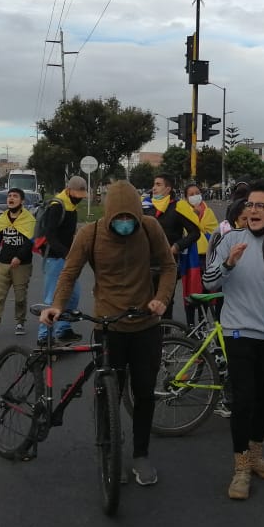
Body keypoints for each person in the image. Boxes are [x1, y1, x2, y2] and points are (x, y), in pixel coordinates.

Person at [40, 181, 176, 486]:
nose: (126, 224)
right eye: (119, 219)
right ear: (109, 215)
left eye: (131, 219)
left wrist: (162, 299)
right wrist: (57, 306)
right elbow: (69, 272)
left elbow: (168, 266)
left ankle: (141, 455)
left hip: (145, 326)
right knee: (107, 394)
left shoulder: (150, 228)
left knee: (144, 394)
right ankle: (109, 448)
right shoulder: (90, 234)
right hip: (108, 326)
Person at [203, 179, 264, 500]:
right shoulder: (229, 238)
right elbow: (209, 283)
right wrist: (228, 263)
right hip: (238, 332)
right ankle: (241, 469)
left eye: (262, 205)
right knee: (244, 400)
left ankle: (255, 455)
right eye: (250, 205)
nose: (254, 210)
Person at [33, 176, 87, 346]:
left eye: (81, 195)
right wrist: (66, 253)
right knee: (52, 298)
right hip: (55, 259)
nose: (79, 198)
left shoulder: (72, 207)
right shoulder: (57, 206)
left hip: (67, 258)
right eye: (77, 194)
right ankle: (44, 336)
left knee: (73, 295)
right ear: (69, 190)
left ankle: (63, 330)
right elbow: (50, 235)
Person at [0, 188, 36, 337]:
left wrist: (19, 257)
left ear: (22, 201)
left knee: (20, 296)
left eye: (15, 196)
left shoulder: (29, 220)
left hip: (22, 265)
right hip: (3, 263)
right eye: (9, 196)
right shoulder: (2, 219)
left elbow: (30, 243)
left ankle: (20, 322)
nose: (11, 198)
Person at [145, 173, 200, 319]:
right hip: (145, 265)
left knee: (165, 305)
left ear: (168, 188)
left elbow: (195, 233)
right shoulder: (145, 206)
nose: (154, 188)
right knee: (145, 304)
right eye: (154, 184)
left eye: (158, 185)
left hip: (168, 265)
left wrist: (177, 246)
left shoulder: (178, 206)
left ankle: (166, 338)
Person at [181, 182, 219, 324]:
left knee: (205, 292)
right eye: (191, 194)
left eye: (197, 193)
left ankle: (203, 323)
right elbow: (184, 234)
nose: (195, 196)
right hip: (190, 259)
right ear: (185, 198)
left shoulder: (209, 212)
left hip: (207, 258)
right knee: (191, 292)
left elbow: (215, 233)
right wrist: (194, 217)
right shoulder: (182, 212)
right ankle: (190, 325)